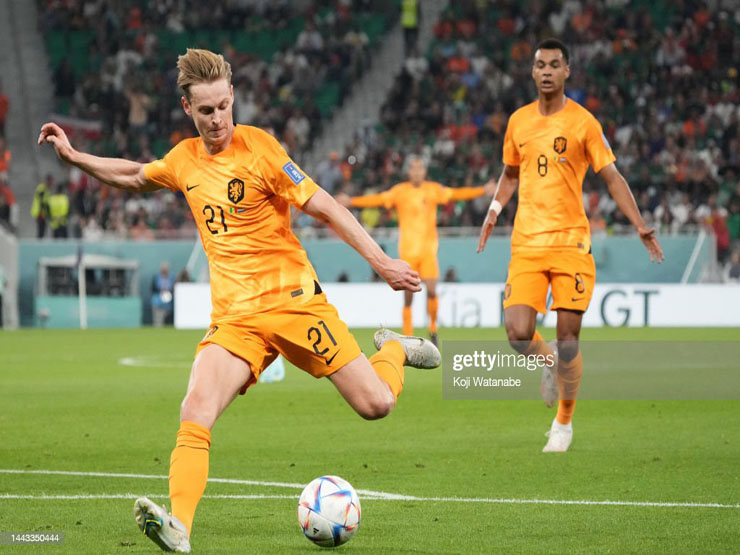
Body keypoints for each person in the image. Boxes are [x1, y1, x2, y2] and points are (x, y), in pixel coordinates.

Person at [39, 48, 440, 553]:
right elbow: (135, 175)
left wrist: (381, 261)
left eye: (224, 106)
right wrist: (75, 158)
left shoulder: (261, 149)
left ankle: (395, 349)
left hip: (294, 303)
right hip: (235, 320)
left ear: (233, 96)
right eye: (206, 110)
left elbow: (326, 207)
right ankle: (179, 527)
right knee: (195, 409)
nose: (218, 119)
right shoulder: (184, 160)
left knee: (376, 404)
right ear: (188, 108)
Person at [477, 38, 664, 453]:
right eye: (540, 64)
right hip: (527, 243)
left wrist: (639, 224)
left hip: (571, 245)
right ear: (532, 71)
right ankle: (548, 366)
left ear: (567, 71)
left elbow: (611, 176)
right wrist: (493, 210)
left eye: (554, 65)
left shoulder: (584, 123)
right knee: (518, 333)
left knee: (568, 340)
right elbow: (510, 173)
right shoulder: (518, 121)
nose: (546, 71)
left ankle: (563, 423)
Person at [339, 156, 494, 346]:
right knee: (408, 297)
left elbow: (456, 194)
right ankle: (408, 336)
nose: (417, 171)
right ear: (408, 172)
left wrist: (482, 190)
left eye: (420, 168)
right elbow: (377, 199)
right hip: (408, 253)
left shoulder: (432, 190)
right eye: (413, 168)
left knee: (432, 291)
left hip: (428, 252)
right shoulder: (400, 191)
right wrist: (352, 201)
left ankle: (433, 329)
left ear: (424, 171)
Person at [151, 261, 175, 327]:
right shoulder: (156, 277)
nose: (164, 271)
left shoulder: (171, 277)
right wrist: (160, 291)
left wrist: (168, 291)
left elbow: (174, 288)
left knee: (167, 322)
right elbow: (153, 288)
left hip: (168, 304)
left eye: (165, 269)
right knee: (158, 322)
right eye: (163, 269)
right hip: (157, 302)